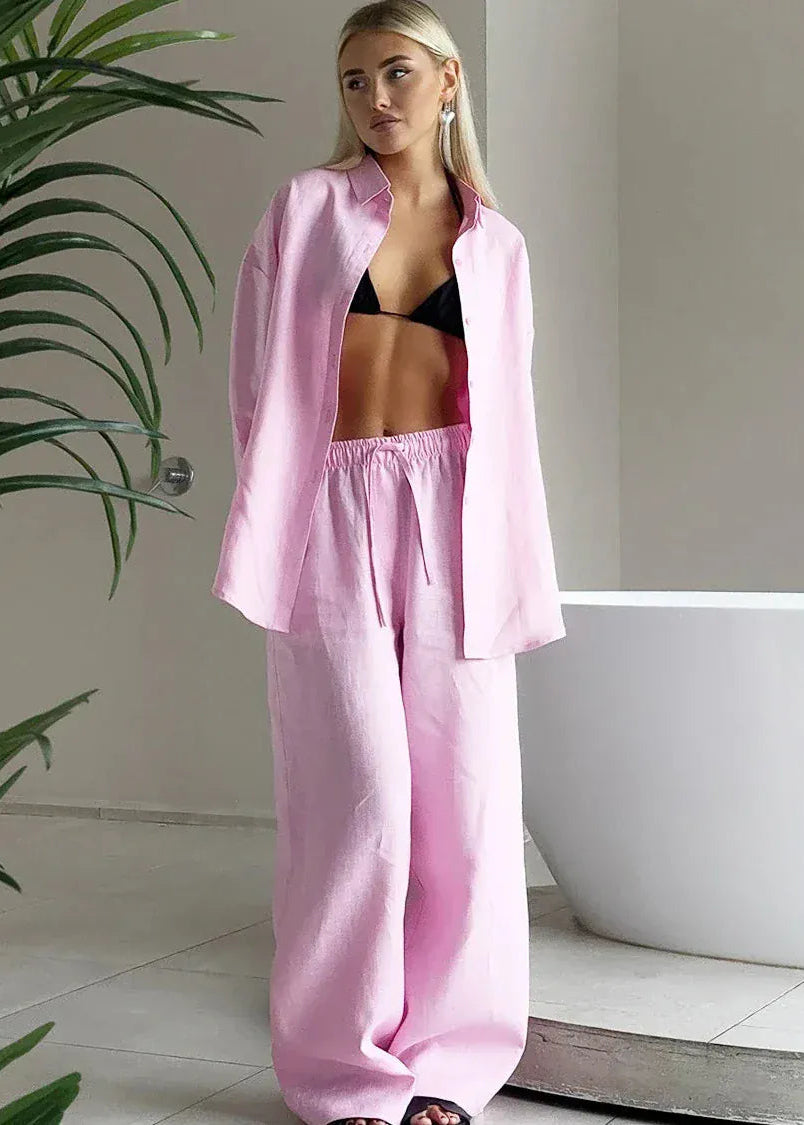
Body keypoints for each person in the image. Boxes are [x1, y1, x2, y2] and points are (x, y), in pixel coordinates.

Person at [212, 3, 566, 1124]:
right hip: (332, 509)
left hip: (455, 511)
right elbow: (256, 385)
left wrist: (512, 554)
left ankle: (452, 1073)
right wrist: (275, 518)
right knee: (352, 800)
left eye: (398, 73)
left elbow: (509, 418)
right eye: (354, 79)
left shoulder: (497, 246)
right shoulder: (306, 211)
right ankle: (341, 1077)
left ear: (449, 81)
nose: (375, 99)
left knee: (463, 806)